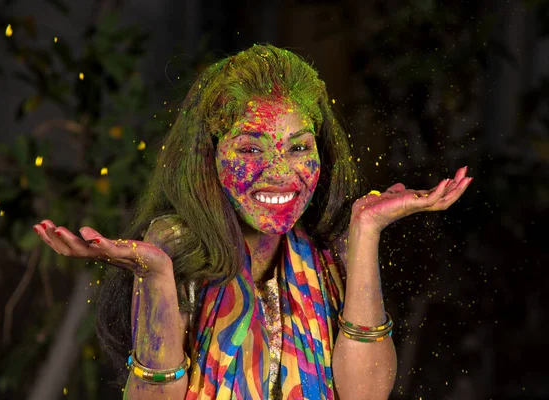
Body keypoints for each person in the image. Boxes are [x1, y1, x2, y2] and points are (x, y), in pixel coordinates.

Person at [33, 44, 472, 400]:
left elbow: (366, 393)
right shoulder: (176, 243)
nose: (280, 171)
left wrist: (366, 229)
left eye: (299, 148)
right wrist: (156, 277)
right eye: (249, 149)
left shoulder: (331, 245)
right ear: (210, 154)